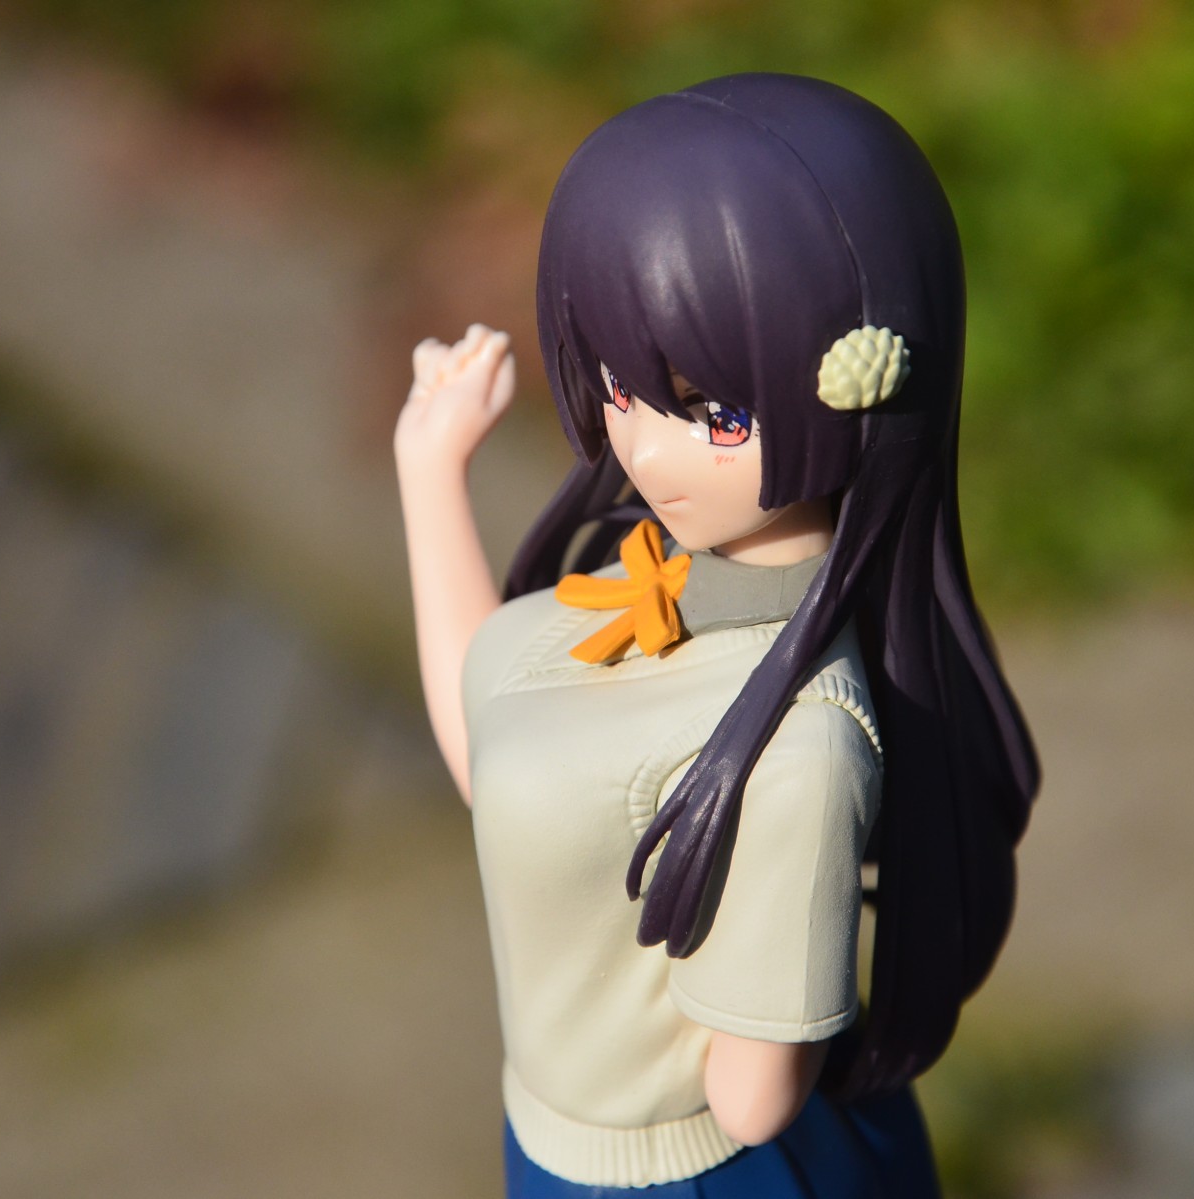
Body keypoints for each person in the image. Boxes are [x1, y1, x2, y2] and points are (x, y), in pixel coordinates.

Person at [396, 73, 1039, 1198]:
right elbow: (485, 740)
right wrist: (429, 471)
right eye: (618, 385)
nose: (644, 449)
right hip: (561, 1142)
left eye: (716, 414)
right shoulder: (649, 575)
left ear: (857, 388)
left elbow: (753, 1093)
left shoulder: (799, 745)